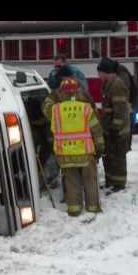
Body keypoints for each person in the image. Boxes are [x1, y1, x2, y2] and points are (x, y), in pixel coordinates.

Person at [43, 78, 105, 217]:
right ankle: (93, 207)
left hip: (65, 153)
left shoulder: (55, 110)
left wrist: (53, 95)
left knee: (72, 181)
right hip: (86, 152)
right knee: (90, 180)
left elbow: (45, 109)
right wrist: (100, 147)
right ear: (78, 92)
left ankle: (74, 208)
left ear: (62, 93)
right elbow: (96, 129)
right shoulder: (86, 108)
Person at [97, 57, 131, 195]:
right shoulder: (108, 84)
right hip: (109, 128)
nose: (98, 76)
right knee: (109, 156)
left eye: (99, 73)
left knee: (117, 157)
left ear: (106, 72)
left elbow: (120, 110)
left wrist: (115, 128)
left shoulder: (117, 85)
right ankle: (110, 182)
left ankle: (119, 184)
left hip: (118, 131)